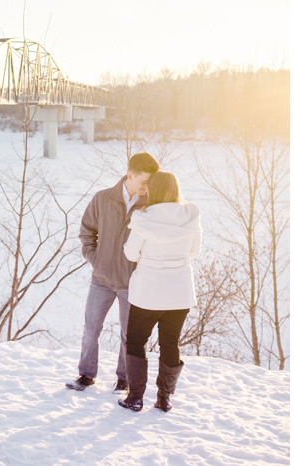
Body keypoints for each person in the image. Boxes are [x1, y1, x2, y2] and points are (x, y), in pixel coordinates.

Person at [67, 153, 159, 392]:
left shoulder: (151, 205)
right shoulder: (103, 198)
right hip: (101, 280)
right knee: (91, 329)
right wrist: (95, 259)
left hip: (133, 283)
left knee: (129, 336)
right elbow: (87, 231)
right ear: (130, 175)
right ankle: (86, 375)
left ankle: (124, 379)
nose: (146, 187)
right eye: (144, 181)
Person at [117, 171, 201, 412]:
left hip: (148, 292)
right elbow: (194, 252)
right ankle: (164, 398)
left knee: (135, 341)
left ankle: (135, 397)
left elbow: (131, 254)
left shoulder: (143, 217)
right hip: (179, 292)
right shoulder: (191, 215)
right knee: (170, 343)